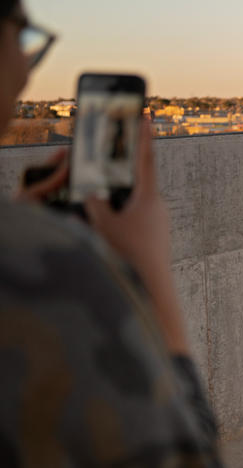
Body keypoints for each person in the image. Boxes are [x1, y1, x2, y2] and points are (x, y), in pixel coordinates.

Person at [0, 1, 222, 465]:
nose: (27, 74)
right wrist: (149, 271)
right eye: (24, 38)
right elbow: (188, 454)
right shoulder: (41, 265)